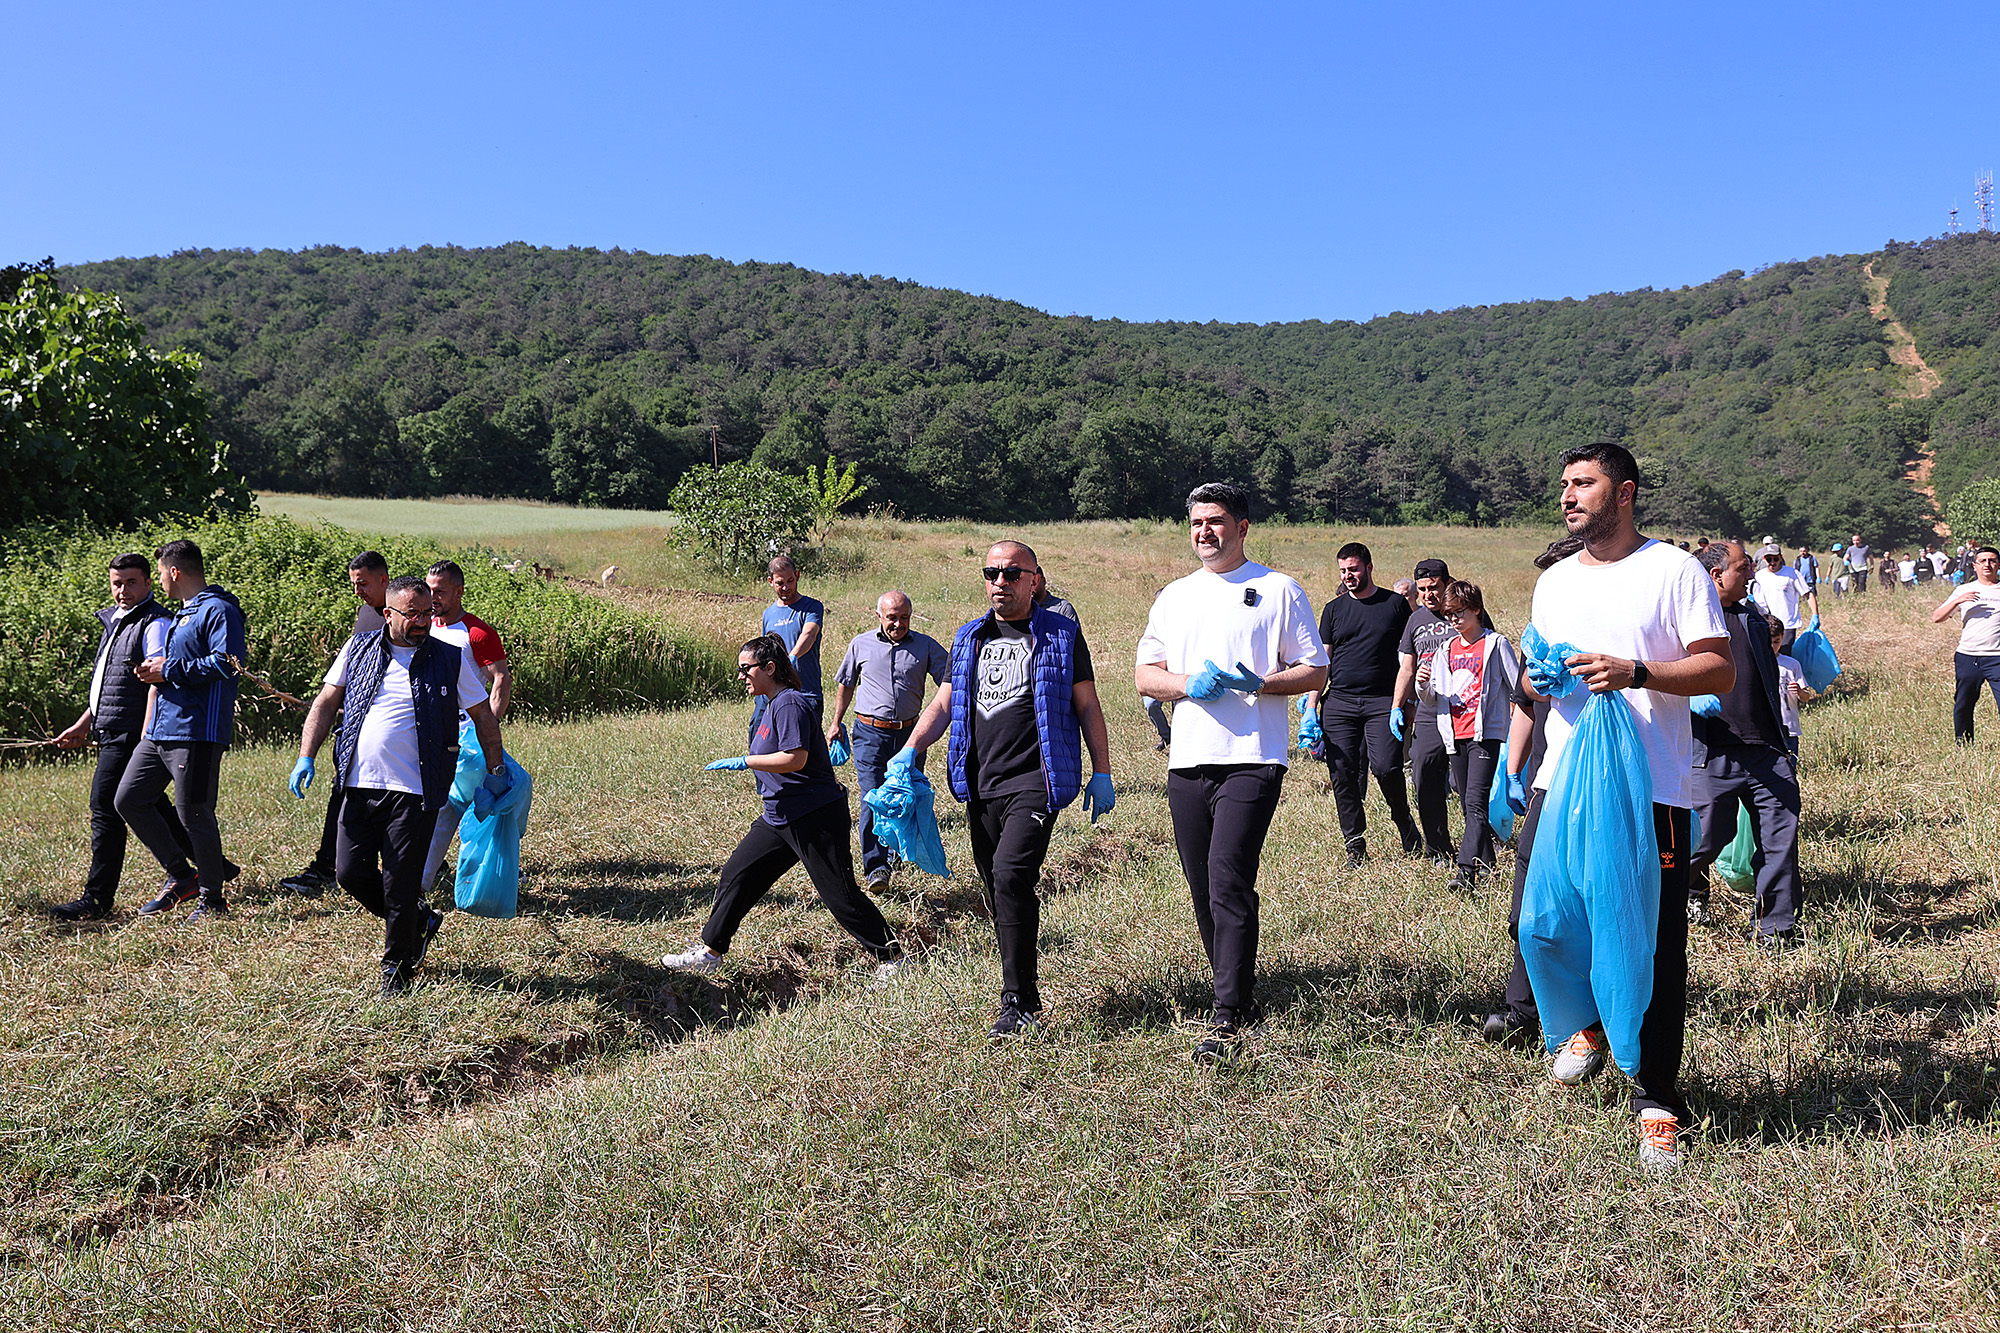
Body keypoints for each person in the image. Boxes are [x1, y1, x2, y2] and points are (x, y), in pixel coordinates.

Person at [1517, 442, 1732, 1173]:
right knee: (1542, 925)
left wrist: (1635, 671)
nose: (1568, 495)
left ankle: (1657, 1101)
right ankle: (1593, 1024)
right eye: (1565, 483)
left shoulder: (1672, 570)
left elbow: (1719, 667)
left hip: (1651, 793)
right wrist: (1542, 676)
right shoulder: (1554, 581)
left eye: (1584, 483)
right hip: (1561, 780)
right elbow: (1538, 672)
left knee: (1652, 949)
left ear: (1626, 492)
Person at [892, 539, 1115, 1039]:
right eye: (992, 573)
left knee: (1012, 876)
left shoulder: (1061, 635)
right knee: (996, 887)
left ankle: (1020, 1001)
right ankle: (1019, 977)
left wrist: (1101, 770)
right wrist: (910, 750)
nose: (1001, 582)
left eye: (1013, 573)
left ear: (1035, 579)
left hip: (1036, 780)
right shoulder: (969, 637)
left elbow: (1088, 706)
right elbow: (944, 704)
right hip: (981, 782)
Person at [1136, 482, 1328, 1060]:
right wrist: (1184, 685)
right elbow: (1147, 675)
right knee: (1202, 887)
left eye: (1216, 521)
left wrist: (1262, 682)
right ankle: (1236, 991)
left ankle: (1226, 1016)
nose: (1204, 533)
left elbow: (1314, 670)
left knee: (1227, 877)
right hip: (1188, 759)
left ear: (1242, 527)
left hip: (1253, 756)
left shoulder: (1278, 590)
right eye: (1196, 523)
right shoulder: (1174, 596)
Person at [292, 575, 508, 992]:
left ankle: (397, 968)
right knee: (350, 873)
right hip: (358, 784)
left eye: (427, 611)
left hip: (417, 787)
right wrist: (306, 755)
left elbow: (483, 716)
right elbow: (325, 703)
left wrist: (496, 770)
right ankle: (419, 920)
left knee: (400, 881)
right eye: (413, 613)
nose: (423, 620)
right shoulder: (358, 648)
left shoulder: (449, 657)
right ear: (387, 614)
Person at [666, 634, 906, 981]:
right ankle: (711, 950)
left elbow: (796, 758)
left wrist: (747, 761)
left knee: (839, 894)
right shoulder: (771, 704)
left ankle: (893, 958)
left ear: (769, 668)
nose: (740, 676)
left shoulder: (790, 702)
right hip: (779, 816)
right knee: (738, 874)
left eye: (745, 668)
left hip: (814, 815)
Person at [49, 553, 199, 921]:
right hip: (111, 726)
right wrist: (86, 722)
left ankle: (98, 899)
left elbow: (156, 677)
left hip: (134, 730)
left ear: (149, 582)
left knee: (105, 808)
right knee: (149, 802)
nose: (123, 590)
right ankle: (216, 869)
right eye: (117, 583)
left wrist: (148, 732)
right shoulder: (116, 621)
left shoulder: (155, 623)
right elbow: (109, 684)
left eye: (132, 582)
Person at [1481, 534, 1582, 1048]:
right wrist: (1511, 767)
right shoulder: (1539, 634)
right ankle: (1521, 1008)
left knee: (1590, 903)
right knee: (1529, 903)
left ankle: (1588, 1012)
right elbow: (1523, 701)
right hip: (1547, 775)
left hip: (1604, 780)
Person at [116, 540, 248, 920]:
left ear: (175, 572)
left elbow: (228, 663)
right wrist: (158, 667)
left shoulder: (220, 610)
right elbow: (184, 663)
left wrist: (168, 669)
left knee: (194, 813)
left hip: (196, 732)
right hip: (161, 731)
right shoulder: (183, 613)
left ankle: (213, 899)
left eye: (159, 573)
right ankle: (180, 874)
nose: (160, 580)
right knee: (128, 799)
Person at [1685, 542, 1804, 949]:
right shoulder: (1686, 621)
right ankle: (1676, 897)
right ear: (1716, 575)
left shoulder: (1752, 618)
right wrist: (1688, 700)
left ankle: (1776, 929)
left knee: (1779, 841)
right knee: (1701, 844)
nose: (1751, 573)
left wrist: (1783, 743)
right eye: (1742, 567)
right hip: (1710, 753)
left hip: (1767, 752)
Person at [825, 590, 951, 889]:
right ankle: (876, 867)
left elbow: (951, 679)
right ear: (879, 616)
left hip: (910, 735)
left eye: (904, 617)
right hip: (870, 733)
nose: (898, 623)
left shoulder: (925, 647)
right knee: (872, 796)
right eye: (892, 617)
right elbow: (846, 685)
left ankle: (896, 850)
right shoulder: (861, 644)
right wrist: (835, 722)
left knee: (905, 794)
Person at [282, 552, 392, 897]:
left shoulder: (409, 617)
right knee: (342, 799)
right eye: (353, 584)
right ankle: (326, 867)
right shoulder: (366, 615)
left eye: (363, 583)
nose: (357, 590)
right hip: (355, 734)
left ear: (384, 580)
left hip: (393, 736)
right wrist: (307, 755)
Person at [416, 559, 515, 897]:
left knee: (455, 807)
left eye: (440, 591)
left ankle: (422, 886)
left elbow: (500, 678)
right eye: (429, 590)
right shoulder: (424, 627)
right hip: (427, 732)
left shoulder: (477, 633)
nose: (433, 598)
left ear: (459, 592)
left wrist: (485, 728)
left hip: (466, 733)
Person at [1414, 580, 1519, 892]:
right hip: (1453, 733)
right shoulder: (1446, 649)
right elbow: (1433, 698)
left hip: (1484, 735)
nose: (1454, 620)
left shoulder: (1495, 644)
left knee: (1475, 801)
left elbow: (1516, 686)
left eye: (1460, 613)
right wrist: (1422, 684)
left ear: (1476, 610)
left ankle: (1465, 871)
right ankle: (1487, 861)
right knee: (1466, 801)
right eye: (1450, 615)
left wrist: (1519, 723)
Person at [1319, 542, 1421, 864]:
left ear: (1369, 568)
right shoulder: (1333, 610)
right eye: (1343, 571)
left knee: (1386, 767)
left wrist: (1407, 701)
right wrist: (1310, 706)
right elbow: (1323, 661)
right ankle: (1355, 843)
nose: (1348, 576)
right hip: (1340, 702)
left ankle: (1404, 824)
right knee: (1342, 773)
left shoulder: (1394, 605)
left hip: (1383, 702)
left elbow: (1409, 656)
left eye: (1353, 569)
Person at [1390, 559, 1458, 862]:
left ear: (1447, 584)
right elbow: (1407, 666)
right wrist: (1397, 706)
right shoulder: (1415, 620)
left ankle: (1478, 846)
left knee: (1467, 784)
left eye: (1435, 588)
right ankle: (1438, 847)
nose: (1429, 594)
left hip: (1463, 708)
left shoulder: (1464, 611)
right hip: (1429, 709)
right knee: (1424, 775)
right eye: (1424, 589)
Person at [750, 556, 824, 740]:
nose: (786, 587)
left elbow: (810, 633)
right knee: (760, 747)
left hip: (804, 692)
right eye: (780, 583)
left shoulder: (811, 607)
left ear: (797, 576)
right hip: (770, 696)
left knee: (801, 750)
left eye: (790, 580)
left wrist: (792, 656)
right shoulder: (769, 614)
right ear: (770, 582)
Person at [1934, 547, 2000, 743]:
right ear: (1975, 566)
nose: (1987, 564)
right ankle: (1963, 744)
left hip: (1997, 657)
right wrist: (1958, 601)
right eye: (1983, 561)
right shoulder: (1963, 590)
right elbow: (1937, 617)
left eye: (1992, 560)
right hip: (1968, 656)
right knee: (1963, 704)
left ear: (1998, 564)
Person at [1750, 543, 1816, 654]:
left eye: (1775, 559)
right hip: (1766, 623)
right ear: (1763, 559)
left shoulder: (1792, 573)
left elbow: (1808, 594)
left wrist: (1815, 615)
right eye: (1768, 559)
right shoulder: (1758, 576)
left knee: (1784, 653)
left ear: (1780, 557)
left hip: (1787, 623)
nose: (1772, 562)